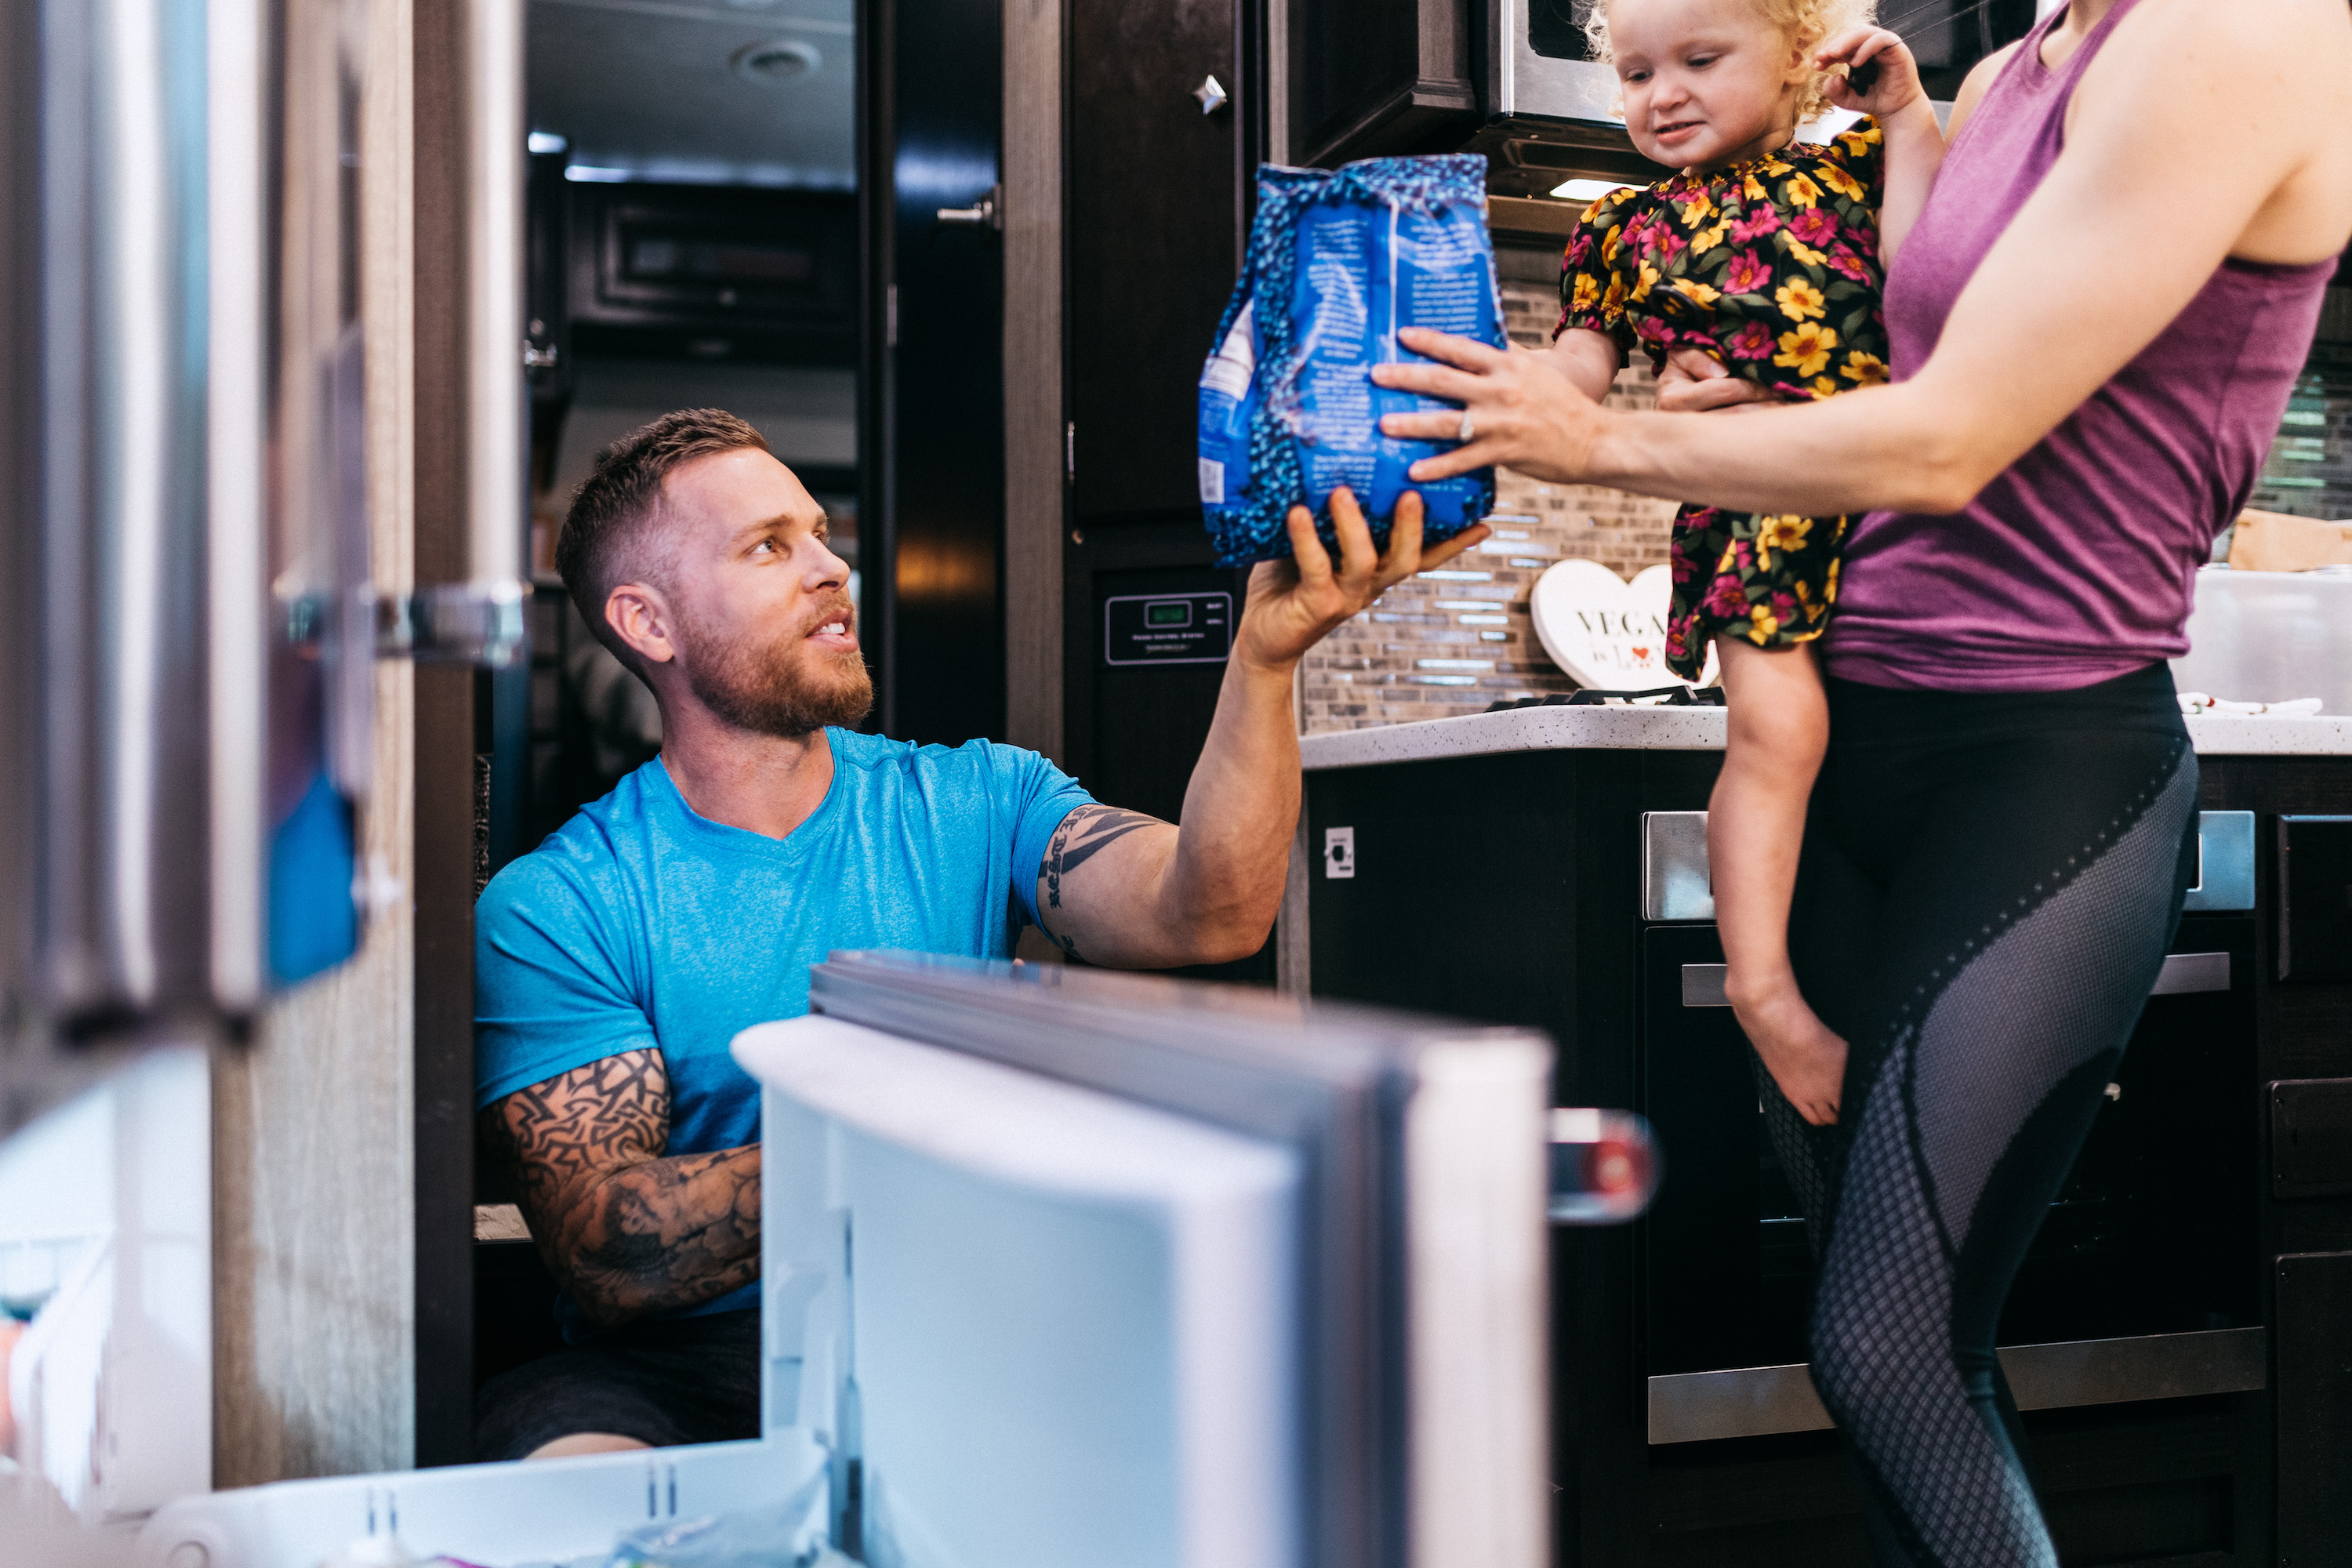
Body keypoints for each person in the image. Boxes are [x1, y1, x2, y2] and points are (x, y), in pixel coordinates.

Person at [1371, 0, 2351, 1562]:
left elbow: (1951, 441)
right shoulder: (2009, 69)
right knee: (1904, 1349)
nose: (1668, 92)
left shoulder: (2243, 29)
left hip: (2042, 768)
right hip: (1847, 744)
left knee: (1884, 1346)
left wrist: (1607, 442)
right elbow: (1909, 365)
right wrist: (1743, 413)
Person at [470, 408, 1488, 1461]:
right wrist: (934, 1124)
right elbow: (611, 1253)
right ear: (648, 623)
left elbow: (1211, 908)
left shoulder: (978, 796)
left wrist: (1266, 662)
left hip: (961, 1327)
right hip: (679, 1374)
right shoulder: (559, 905)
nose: (831, 569)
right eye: (770, 546)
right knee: (563, 1467)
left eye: (821, 533)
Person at [1550, 0, 1943, 1127]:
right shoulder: (1617, 229)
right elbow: (1573, 383)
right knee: (1782, 731)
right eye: (1634, 73)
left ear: (1799, 66)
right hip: (1753, 510)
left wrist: (1910, 111)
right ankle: (1764, 992)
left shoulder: (1863, 168)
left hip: (1889, 513)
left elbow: (1927, 291)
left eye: (1700, 60)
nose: (1661, 91)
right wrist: (1495, 399)